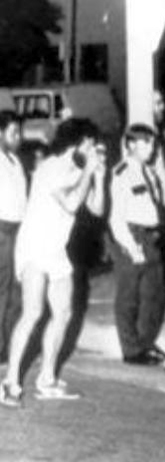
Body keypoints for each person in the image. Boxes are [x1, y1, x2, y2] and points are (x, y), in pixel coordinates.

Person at [1, 118, 106, 406]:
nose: (94, 149)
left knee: (64, 312)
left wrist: (99, 177)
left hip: (56, 249)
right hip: (35, 245)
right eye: (90, 144)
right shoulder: (51, 168)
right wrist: (88, 172)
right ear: (79, 143)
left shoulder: (76, 169)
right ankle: (10, 381)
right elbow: (71, 204)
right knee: (33, 311)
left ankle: (47, 379)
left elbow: (97, 208)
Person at [109, 124, 165, 366]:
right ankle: (131, 349)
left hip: (152, 236)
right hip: (132, 236)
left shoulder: (150, 172)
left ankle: (146, 342)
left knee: (153, 295)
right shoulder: (122, 173)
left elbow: (155, 206)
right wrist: (132, 247)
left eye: (152, 143)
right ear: (131, 145)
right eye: (146, 143)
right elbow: (116, 217)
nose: (151, 148)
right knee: (129, 296)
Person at [0, 111, 26, 364]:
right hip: (2, 231)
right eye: (13, 133)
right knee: (1, 291)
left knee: (16, 293)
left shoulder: (16, 162)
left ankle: (8, 345)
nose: (19, 137)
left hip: (19, 231)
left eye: (19, 132)